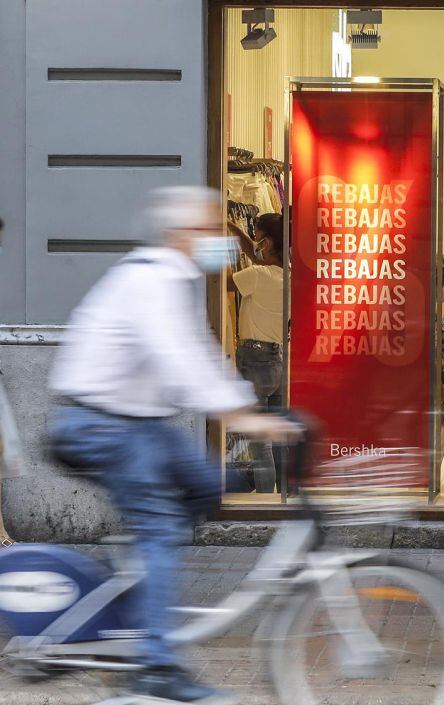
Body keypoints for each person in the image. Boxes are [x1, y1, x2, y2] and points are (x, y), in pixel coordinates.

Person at [47, 186, 297, 705]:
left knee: (210, 483)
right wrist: (244, 416)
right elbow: (179, 360)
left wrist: (242, 407)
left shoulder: (172, 281)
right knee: (161, 527)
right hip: (102, 424)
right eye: (209, 229)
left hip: (140, 423)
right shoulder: (151, 281)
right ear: (182, 234)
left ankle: (140, 572)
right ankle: (157, 667)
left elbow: (200, 356)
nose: (220, 239)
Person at [228, 214, 285, 492]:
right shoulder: (286, 275)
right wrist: (235, 229)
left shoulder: (257, 275)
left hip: (254, 361)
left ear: (268, 241)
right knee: (277, 441)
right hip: (277, 362)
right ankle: (284, 499)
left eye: (258, 236)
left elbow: (222, 284)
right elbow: (256, 256)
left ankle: (265, 505)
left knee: (260, 444)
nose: (255, 243)